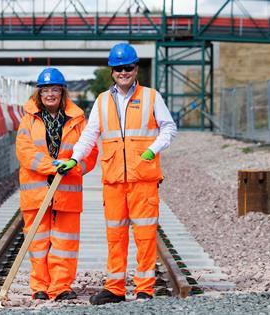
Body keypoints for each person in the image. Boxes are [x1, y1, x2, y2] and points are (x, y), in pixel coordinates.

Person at [57, 43, 177, 304]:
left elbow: (169, 129)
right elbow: (90, 135)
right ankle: (115, 288)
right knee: (115, 235)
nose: (124, 72)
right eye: (119, 68)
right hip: (113, 180)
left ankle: (145, 287)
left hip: (143, 178)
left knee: (145, 235)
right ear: (112, 71)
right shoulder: (102, 100)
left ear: (136, 69)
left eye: (129, 67)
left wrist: (152, 149)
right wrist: (73, 159)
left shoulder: (151, 97)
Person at [16, 67, 98, 301]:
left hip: (66, 193)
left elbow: (90, 152)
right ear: (39, 94)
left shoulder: (78, 120)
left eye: (54, 89)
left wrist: (73, 166)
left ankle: (61, 286)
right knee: (38, 242)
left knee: (65, 244)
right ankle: (40, 286)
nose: (50, 94)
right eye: (45, 90)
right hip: (36, 193)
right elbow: (24, 151)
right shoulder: (28, 119)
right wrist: (53, 166)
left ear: (62, 92)